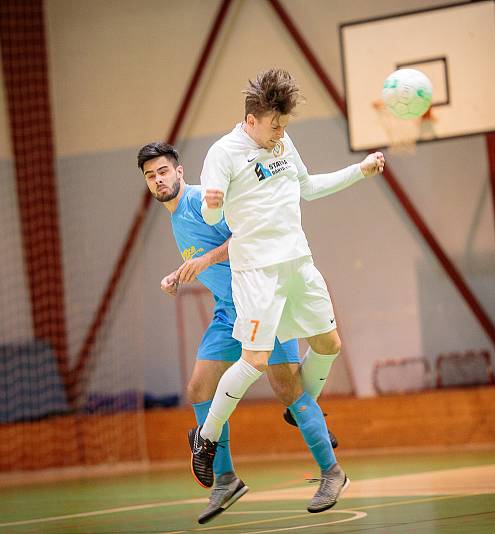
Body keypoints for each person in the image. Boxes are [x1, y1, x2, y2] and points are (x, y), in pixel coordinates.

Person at [192, 68, 386, 513]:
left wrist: (359, 171)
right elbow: (207, 218)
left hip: (298, 262)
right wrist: (211, 204)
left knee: (329, 344)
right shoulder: (222, 153)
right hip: (257, 273)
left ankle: (299, 410)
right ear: (252, 118)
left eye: (284, 125)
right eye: (274, 124)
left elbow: (309, 188)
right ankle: (206, 438)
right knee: (255, 361)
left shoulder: (282, 142)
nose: (280, 132)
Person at [137, 141, 338, 524]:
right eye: (150, 175)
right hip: (229, 311)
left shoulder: (198, 202)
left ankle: (332, 471)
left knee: (288, 388)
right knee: (198, 388)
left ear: (179, 172)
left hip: (261, 301)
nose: (158, 179)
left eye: (163, 171)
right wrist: (178, 275)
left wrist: (204, 260)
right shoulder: (175, 216)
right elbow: (203, 260)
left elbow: (245, 238)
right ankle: (225, 479)